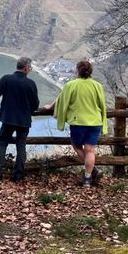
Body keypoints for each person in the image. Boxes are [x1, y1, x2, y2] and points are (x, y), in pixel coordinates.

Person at [51, 60, 107, 188]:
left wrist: (51, 106)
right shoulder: (97, 85)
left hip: (78, 122)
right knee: (90, 151)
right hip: (95, 122)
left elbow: (61, 98)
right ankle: (87, 178)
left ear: (77, 70)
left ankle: (93, 171)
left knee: (76, 146)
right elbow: (102, 104)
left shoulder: (71, 85)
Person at [0, 56, 40, 183]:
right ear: (26, 68)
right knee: (21, 146)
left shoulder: (6, 79)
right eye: (30, 68)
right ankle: (18, 176)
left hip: (8, 118)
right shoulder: (31, 84)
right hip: (24, 121)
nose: (30, 70)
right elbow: (35, 105)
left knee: (2, 143)